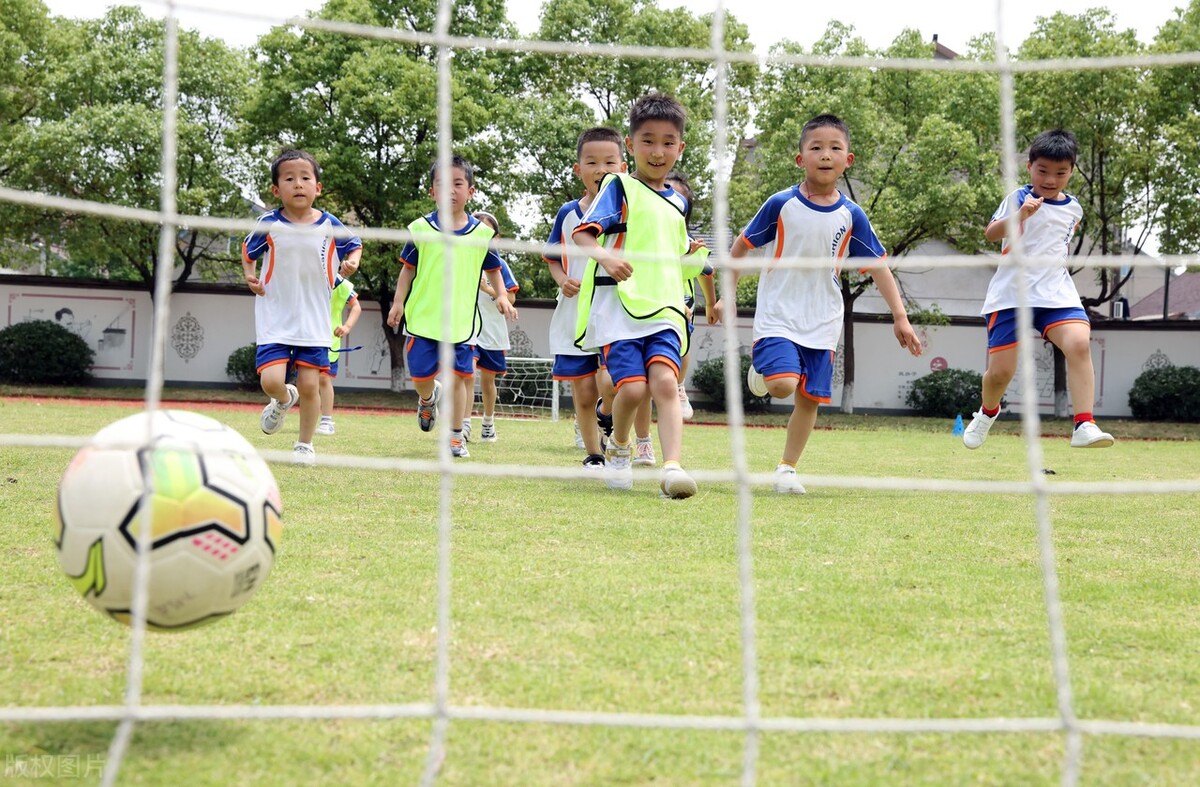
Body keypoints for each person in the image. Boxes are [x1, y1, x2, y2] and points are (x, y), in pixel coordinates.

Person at [712, 114, 922, 494]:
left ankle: (787, 469)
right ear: (800, 159)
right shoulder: (781, 204)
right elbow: (741, 247)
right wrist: (728, 294)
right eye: (816, 148)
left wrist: (900, 317)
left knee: (809, 398)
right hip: (778, 314)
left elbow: (879, 267)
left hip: (824, 320)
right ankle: (762, 373)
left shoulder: (852, 215)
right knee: (781, 385)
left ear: (848, 160)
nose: (826, 155)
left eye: (834, 148)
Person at [572, 93, 707, 498]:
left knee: (665, 384)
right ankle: (619, 448)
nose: (658, 150)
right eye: (648, 140)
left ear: (680, 148)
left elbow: (678, 256)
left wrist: (696, 266)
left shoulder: (678, 202)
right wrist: (608, 260)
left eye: (668, 142)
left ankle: (672, 468)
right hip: (620, 309)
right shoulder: (619, 188)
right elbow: (583, 234)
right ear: (630, 146)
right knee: (631, 389)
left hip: (665, 310)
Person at [963, 129, 1114, 450]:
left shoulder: (1075, 209)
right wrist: (1022, 215)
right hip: (1011, 293)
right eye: (1043, 170)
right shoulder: (1018, 197)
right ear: (1030, 166)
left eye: (1060, 173)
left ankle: (1084, 423)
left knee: (1078, 343)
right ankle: (987, 412)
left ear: (1072, 171)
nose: (1050, 179)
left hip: (1055, 292)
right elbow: (991, 234)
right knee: (1000, 374)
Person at [386, 154, 518, 459]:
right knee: (420, 377)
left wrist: (500, 295)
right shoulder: (420, 229)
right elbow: (407, 269)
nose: (450, 190)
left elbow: (494, 269)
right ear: (432, 191)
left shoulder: (481, 234)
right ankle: (428, 399)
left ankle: (456, 436)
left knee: (460, 378)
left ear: (470, 191)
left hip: (462, 323)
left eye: (458, 184)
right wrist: (397, 302)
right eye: (442, 184)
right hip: (423, 320)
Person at [243, 149, 362, 466]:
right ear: (276, 189)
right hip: (275, 317)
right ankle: (283, 400)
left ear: (318, 188)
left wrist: (351, 262)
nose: (298, 184)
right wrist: (249, 276)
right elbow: (247, 251)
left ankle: (304, 445)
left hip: (314, 321)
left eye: (305, 178)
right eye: (289, 178)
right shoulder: (268, 223)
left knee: (311, 385)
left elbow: (355, 244)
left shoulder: (329, 224)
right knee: (270, 381)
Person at [545, 126, 626, 472]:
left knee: (611, 382)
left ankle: (607, 417)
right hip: (574, 314)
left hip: (617, 312)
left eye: (609, 161)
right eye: (591, 162)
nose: (601, 169)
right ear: (578, 169)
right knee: (581, 390)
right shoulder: (567, 213)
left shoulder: (629, 211)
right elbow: (552, 256)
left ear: (623, 167)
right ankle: (594, 454)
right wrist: (563, 280)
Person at [664, 169, 717, 422]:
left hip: (681, 301)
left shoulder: (690, 243)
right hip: (646, 300)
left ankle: (679, 385)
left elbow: (706, 272)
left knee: (682, 349)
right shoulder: (642, 237)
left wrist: (710, 303)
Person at [470, 210, 520, 443]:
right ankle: (464, 425)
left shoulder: (499, 265)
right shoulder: (460, 259)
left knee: (488, 381)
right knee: (466, 374)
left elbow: (509, 300)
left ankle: (488, 422)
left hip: (492, 332)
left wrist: (488, 289)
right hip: (467, 331)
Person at [315, 274, 362, 436]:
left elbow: (356, 306)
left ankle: (327, 420)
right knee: (304, 380)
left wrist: (347, 326)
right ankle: (283, 403)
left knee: (323, 378)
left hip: (329, 339)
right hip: (304, 336)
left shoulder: (339, 282)